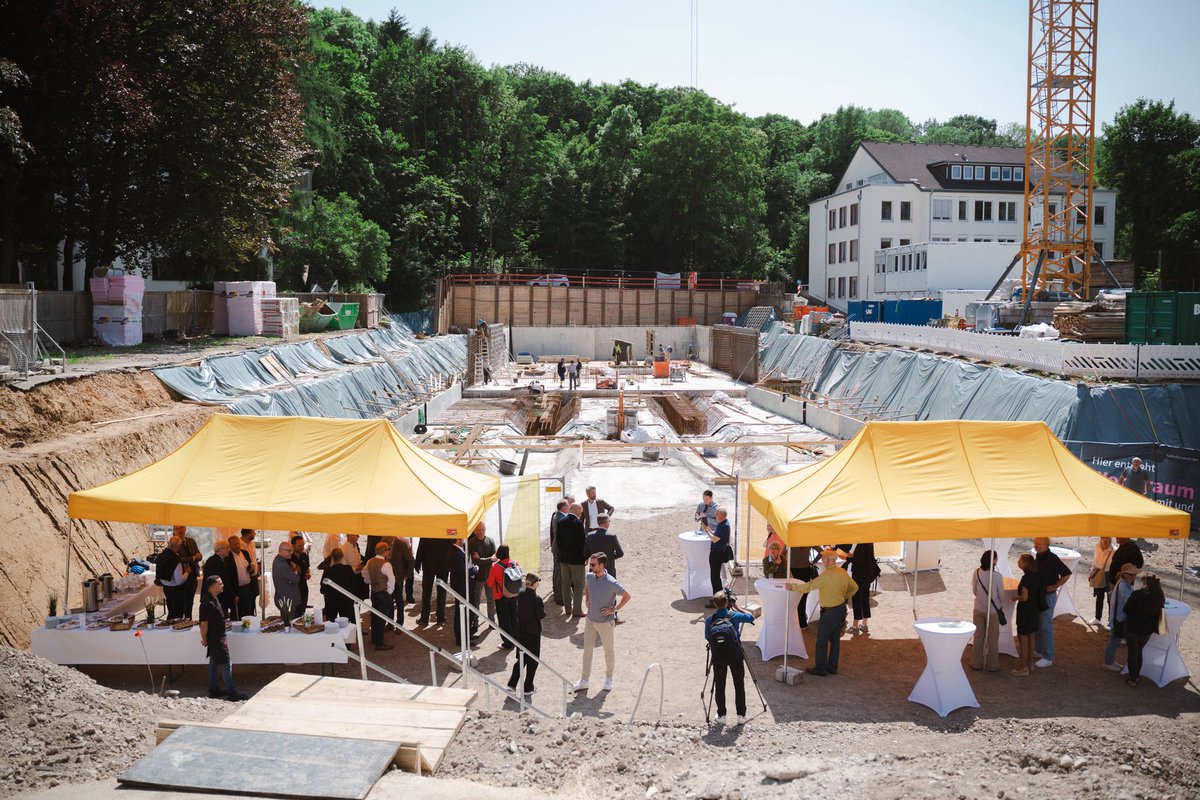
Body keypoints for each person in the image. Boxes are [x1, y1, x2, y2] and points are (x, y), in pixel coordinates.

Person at [785, 548, 857, 676]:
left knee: (822, 640)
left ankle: (820, 668)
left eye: (823, 558)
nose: (822, 560)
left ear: (829, 561)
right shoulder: (842, 572)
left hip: (829, 612)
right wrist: (844, 596)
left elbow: (808, 586)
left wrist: (792, 587)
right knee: (835, 640)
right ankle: (832, 667)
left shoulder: (825, 576)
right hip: (840, 609)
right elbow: (854, 587)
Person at [573, 553, 631, 693]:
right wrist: (587, 599)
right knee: (587, 651)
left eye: (593, 565)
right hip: (590, 621)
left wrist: (614, 609)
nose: (590, 567)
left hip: (606, 624)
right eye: (590, 564)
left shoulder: (611, 582)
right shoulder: (590, 577)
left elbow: (627, 596)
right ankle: (584, 680)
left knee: (608, 651)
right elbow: (588, 586)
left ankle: (609, 678)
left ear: (601, 565)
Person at [704, 590, 754, 725]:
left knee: (720, 685)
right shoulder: (734, 615)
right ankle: (741, 715)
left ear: (715, 604)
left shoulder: (710, 619)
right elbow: (751, 617)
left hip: (718, 657)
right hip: (735, 655)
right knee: (739, 684)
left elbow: (707, 637)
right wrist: (737, 607)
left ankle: (721, 715)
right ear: (727, 603)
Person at [199, 576, 247, 701]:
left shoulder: (213, 599)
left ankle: (213, 689)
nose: (223, 585)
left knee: (214, 663)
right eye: (220, 584)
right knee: (226, 663)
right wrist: (204, 639)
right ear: (212, 587)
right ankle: (231, 692)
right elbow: (203, 625)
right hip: (216, 638)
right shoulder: (207, 603)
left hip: (217, 637)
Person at [1032, 537, 1071, 668]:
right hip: (1039, 595)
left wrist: (1055, 586)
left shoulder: (1052, 558)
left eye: (1039, 543)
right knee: (1038, 624)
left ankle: (1048, 657)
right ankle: (1039, 650)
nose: (1036, 545)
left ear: (1046, 544)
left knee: (1046, 626)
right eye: (1035, 543)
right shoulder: (1039, 556)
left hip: (1047, 597)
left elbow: (1066, 574)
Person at [1122, 573, 1165, 687]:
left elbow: (1126, 609)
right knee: (1139, 652)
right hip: (1147, 631)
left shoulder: (1137, 594)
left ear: (1145, 583)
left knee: (1132, 653)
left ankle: (1132, 679)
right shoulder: (1160, 597)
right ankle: (1136, 676)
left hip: (1132, 628)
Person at [508, 573, 546, 696]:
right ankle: (528, 687)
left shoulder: (520, 593)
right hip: (533, 632)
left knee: (521, 658)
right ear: (534, 583)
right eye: (538, 581)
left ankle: (512, 684)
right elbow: (541, 615)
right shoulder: (537, 599)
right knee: (533, 660)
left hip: (521, 631)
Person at [970, 550, 1004, 672]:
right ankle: (993, 665)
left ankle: (976, 663)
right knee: (993, 639)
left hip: (979, 608)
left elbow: (974, 590)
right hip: (993, 611)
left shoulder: (977, 572)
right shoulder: (997, 576)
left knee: (978, 636)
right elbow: (1001, 595)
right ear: (993, 561)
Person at [1104, 562, 1140, 671]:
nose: (1133, 577)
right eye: (1131, 574)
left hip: (1119, 618)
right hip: (1119, 618)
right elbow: (1130, 601)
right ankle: (1108, 662)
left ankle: (1110, 661)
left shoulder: (1125, 584)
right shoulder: (1123, 586)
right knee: (1114, 641)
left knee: (1116, 640)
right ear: (1124, 574)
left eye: (1134, 575)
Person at [1011, 553, 1041, 677]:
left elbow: (1024, 597)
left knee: (1022, 637)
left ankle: (1023, 667)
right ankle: (1030, 663)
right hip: (1034, 609)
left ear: (1025, 563)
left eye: (1020, 560)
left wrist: (1014, 597)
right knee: (1031, 636)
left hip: (1025, 611)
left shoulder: (1026, 579)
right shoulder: (1036, 575)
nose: (1018, 562)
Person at [487, 545, 521, 649]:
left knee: (504, 620)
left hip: (500, 596)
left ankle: (508, 643)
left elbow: (489, 583)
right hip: (514, 594)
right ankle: (517, 638)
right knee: (514, 617)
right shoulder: (515, 563)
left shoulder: (495, 566)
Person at [558, 503, 588, 618]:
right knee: (579, 584)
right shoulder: (578, 523)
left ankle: (568, 609)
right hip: (576, 560)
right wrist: (585, 556)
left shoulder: (561, 521)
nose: (581, 512)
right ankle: (577, 610)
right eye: (581, 510)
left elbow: (558, 540)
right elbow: (582, 542)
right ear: (576, 510)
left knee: (565, 584)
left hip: (563, 559)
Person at [364, 541, 395, 651]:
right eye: (388, 549)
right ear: (384, 551)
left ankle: (374, 638)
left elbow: (365, 574)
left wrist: (370, 582)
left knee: (374, 616)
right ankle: (379, 643)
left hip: (374, 592)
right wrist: (389, 591)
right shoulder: (386, 564)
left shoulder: (370, 561)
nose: (389, 551)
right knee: (382, 618)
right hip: (383, 593)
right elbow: (392, 580)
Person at [416, 537, 453, 626]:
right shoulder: (445, 531)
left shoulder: (428, 531)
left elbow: (421, 547)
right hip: (443, 565)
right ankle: (440, 617)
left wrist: (417, 563)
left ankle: (424, 618)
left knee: (427, 592)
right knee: (441, 591)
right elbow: (451, 547)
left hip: (429, 564)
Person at [468, 522, 498, 629]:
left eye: (482, 529)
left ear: (485, 529)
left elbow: (495, 558)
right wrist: (489, 559)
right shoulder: (471, 543)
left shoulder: (490, 541)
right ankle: (475, 622)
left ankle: (492, 621)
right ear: (475, 530)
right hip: (478, 577)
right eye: (478, 530)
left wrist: (482, 559)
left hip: (490, 575)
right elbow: (477, 562)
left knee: (491, 599)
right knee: (476, 600)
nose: (481, 532)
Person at [848, 542, 880, 634]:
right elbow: (865, 557)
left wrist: (846, 557)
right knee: (865, 598)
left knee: (857, 599)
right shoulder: (869, 542)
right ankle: (864, 624)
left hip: (859, 575)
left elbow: (858, 561)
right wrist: (853, 555)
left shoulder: (862, 543)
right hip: (867, 575)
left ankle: (855, 626)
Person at [320, 547, 358, 624]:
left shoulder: (328, 571)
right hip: (346, 601)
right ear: (342, 557)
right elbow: (354, 586)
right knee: (345, 625)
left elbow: (322, 589)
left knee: (331, 624)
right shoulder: (348, 569)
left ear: (332, 557)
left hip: (331, 601)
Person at [705, 508, 732, 608]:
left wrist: (707, 531)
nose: (715, 515)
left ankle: (718, 601)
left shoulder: (724, 525)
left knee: (715, 577)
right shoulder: (723, 523)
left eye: (716, 514)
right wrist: (710, 531)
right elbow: (716, 535)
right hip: (718, 553)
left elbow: (715, 539)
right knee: (716, 577)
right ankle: (719, 599)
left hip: (717, 553)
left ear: (721, 515)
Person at [788, 540, 818, 629]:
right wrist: (813, 562)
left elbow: (783, 554)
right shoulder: (808, 539)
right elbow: (821, 552)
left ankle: (793, 622)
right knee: (803, 596)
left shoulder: (791, 540)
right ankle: (802, 623)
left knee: (793, 596)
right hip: (805, 571)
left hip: (793, 571)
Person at [226, 534, 258, 619]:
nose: (237, 546)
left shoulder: (245, 553)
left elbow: (248, 568)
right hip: (236, 589)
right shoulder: (228, 557)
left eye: (238, 543)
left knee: (248, 613)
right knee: (237, 614)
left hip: (247, 588)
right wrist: (232, 594)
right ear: (230, 546)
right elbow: (228, 576)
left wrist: (251, 569)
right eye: (235, 544)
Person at [155, 536, 187, 619]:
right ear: (177, 546)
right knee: (177, 614)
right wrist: (187, 573)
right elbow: (179, 581)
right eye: (179, 546)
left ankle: (170, 624)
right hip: (176, 591)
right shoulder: (175, 560)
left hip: (166, 588)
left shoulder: (161, 556)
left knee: (171, 611)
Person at [448, 538, 472, 649]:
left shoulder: (459, 550)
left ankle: (466, 635)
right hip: (461, 586)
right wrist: (474, 570)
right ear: (458, 539)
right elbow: (462, 571)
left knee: (465, 611)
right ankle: (461, 638)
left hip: (463, 585)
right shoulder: (455, 552)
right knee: (461, 612)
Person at [174, 526, 203, 619]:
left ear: (185, 529)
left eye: (182, 527)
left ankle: (189, 620)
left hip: (193, 575)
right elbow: (177, 559)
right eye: (178, 528)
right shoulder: (173, 542)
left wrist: (199, 556)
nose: (180, 530)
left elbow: (198, 556)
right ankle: (180, 622)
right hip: (180, 576)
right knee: (181, 603)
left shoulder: (191, 541)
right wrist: (193, 558)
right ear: (174, 530)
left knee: (190, 602)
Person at [203, 539, 234, 619]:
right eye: (227, 548)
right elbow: (223, 581)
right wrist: (231, 596)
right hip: (218, 597)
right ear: (220, 550)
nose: (229, 550)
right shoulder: (216, 562)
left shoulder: (217, 560)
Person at [387, 535, 415, 626]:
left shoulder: (401, 544)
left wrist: (407, 575)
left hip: (398, 576)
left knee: (398, 599)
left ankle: (399, 624)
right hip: (386, 577)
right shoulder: (383, 543)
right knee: (389, 600)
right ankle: (390, 623)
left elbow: (411, 560)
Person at [272, 541, 302, 620]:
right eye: (289, 551)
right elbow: (296, 579)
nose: (291, 553)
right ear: (281, 551)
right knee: (289, 623)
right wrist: (295, 571)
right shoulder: (281, 564)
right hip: (287, 600)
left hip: (288, 599)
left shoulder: (280, 561)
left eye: (291, 550)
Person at [1091, 536, 1115, 625]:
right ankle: (1097, 618)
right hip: (1099, 574)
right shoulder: (1097, 546)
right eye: (1103, 537)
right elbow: (1095, 561)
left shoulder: (1114, 550)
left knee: (1110, 599)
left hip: (1109, 575)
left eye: (1107, 538)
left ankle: (1110, 621)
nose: (1105, 540)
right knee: (1099, 597)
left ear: (1110, 539)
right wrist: (1092, 573)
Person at [549, 500, 569, 605]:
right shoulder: (561, 518)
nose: (569, 507)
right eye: (567, 505)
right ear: (563, 507)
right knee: (560, 573)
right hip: (560, 549)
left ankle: (557, 594)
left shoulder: (557, 515)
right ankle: (560, 597)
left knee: (557, 572)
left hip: (556, 548)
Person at [289, 533, 312, 611]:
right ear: (293, 546)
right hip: (293, 589)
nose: (302, 547)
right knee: (295, 612)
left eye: (303, 545)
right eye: (299, 546)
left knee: (302, 611)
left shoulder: (304, 555)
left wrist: (308, 574)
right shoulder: (289, 558)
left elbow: (307, 567)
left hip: (304, 587)